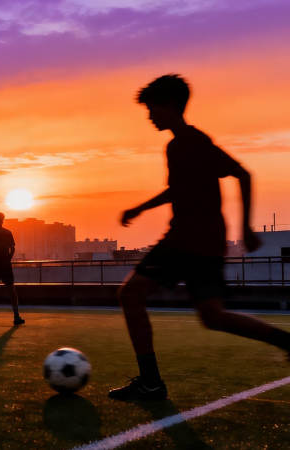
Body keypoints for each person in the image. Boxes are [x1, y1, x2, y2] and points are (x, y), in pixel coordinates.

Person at [109, 74, 290, 401]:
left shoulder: (185, 143)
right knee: (213, 316)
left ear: (171, 106)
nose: (150, 116)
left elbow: (236, 175)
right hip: (207, 241)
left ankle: (150, 383)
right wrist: (140, 208)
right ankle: (286, 342)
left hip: (186, 239)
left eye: (153, 109)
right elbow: (201, 184)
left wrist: (246, 227)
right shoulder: (193, 142)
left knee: (130, 294)